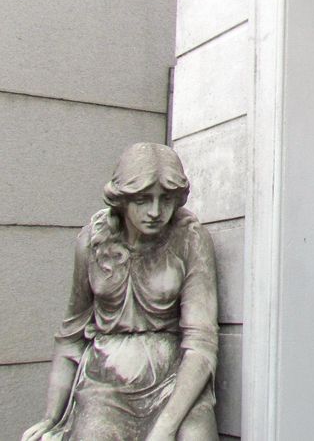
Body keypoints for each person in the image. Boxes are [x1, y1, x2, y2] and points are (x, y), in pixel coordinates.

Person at [21, 143, 219, 441]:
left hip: (175, 379)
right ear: (122, 199)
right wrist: (52, 416)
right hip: (107, 381)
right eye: (142, 200)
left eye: (165, 199)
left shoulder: (189, 239)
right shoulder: (93, 241)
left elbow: (201, 345)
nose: (155, 212)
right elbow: (71, 338)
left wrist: (165, 428)